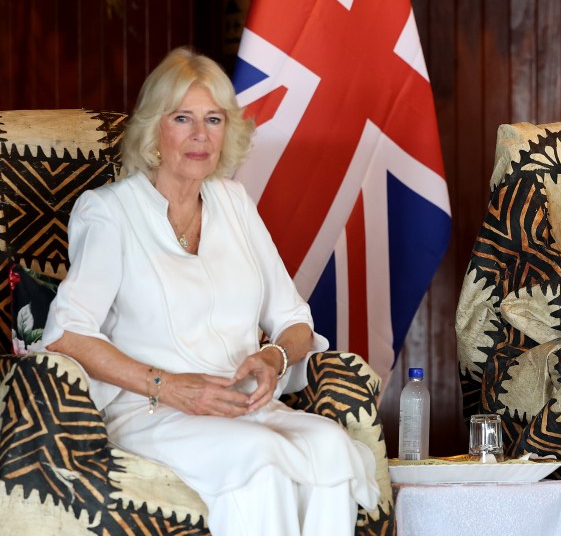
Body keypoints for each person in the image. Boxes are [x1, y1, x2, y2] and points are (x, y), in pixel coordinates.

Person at [41, 47, 379, 535]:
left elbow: (294, 319)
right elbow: (67, 334)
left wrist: (275, 360)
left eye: (214, 119)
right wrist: (169, 385)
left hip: (243, 404)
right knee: (261, 458)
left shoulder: (233, 202)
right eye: (183, 118)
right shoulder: (109, 212)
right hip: (152, 409)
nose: (201, 135)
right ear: (157, 129)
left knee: (328, 446)